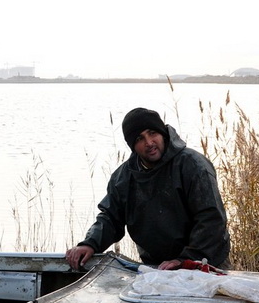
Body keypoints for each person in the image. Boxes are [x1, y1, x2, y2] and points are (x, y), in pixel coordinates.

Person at [65, 107, 230, 271]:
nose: (149, 143)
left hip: (205, 263)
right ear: (132, 146)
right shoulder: (122, 178)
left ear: (163, 133)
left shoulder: (193, 165)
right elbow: (110, 218)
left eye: (153, 133)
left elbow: (211, 220)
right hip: (157, 268)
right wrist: (90, 244)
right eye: (139, 139)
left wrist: (186, 260)